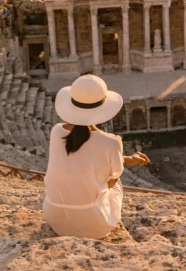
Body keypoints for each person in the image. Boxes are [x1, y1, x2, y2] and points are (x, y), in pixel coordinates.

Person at [43, 75, 150, 239]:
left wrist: (128, 158)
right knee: (116, 181)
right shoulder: (111, 142)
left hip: (55, 218)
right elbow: (110, 180)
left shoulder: (56, 131)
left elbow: (83, 157)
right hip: (94, 225)